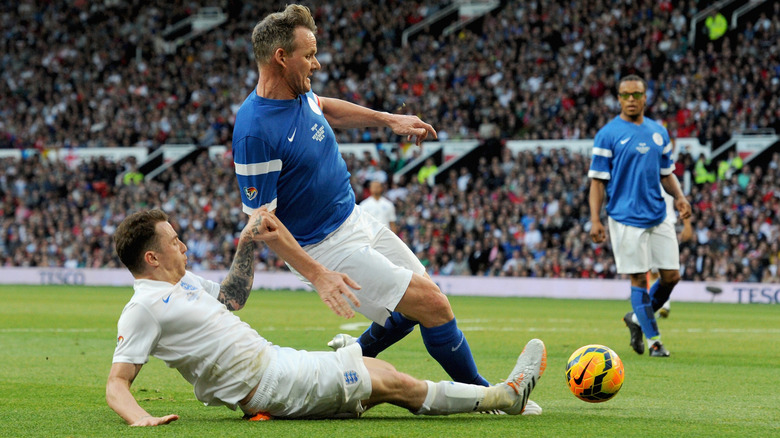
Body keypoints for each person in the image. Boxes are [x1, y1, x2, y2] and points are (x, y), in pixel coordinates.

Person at [232, 3, 494, 399]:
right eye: (310, 55)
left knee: (411, 308)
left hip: (354, 217)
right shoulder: (255, 131)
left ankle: (348, 357)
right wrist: (318, 274)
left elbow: (328, 109)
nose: (317, 64)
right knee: (433, 305)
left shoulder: (299, 93)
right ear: (281, 58)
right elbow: (261, 223)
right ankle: (488, 396)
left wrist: (388, 119)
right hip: (324, 245)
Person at [106, 209, 547, 425]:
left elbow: (232, 298)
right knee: (395, 383)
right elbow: (116, 383)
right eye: (175, 241)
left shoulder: (183, 284)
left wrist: (246, 242)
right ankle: (503, 398)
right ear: (152, 256)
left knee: (383, 378)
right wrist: (140, 418)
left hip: (279, 365)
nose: (183, 246)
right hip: (272, 384)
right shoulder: (143, 307)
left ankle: (491, 395)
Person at [588, 75, 692, 358]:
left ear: (646, 97)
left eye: (636, 94)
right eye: (625, 95)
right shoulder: (607, 134)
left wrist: (680, 198)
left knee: (672, 276)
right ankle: (655, 341)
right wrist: (595, 220)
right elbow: (597, 182)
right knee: (638, 279)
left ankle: (636, 318)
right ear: (618, 98)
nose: (631, 99)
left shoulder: (659, 132)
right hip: (624, 217)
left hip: (658, 214)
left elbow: (666, 173)